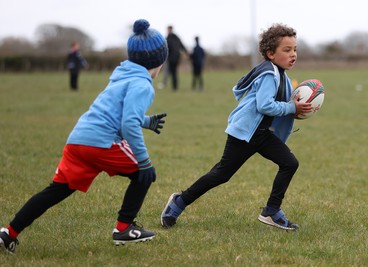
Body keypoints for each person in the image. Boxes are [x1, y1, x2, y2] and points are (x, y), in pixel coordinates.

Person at [0, 19, 168, 254]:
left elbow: (117, 112)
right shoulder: (143, 85)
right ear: (159, 61)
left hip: (78, 140)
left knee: (56, 190)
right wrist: (144, 160)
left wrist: (147, 121)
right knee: (144, 174)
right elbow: (127, 123)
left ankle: (8, 233)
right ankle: (124, 228)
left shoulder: (121, 75)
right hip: (102, 142)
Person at [161, 23, 313, 231]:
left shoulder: (281, 74)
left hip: (262, 134)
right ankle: (179, 202)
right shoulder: (270, 74)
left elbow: (281, 104)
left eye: (295, 49)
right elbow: (265, 105)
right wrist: (290, 107)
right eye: (287, 50)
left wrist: (294, 108)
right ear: (270, 53)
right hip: (245, 134)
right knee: (221, 175)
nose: (293, 54)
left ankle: (271, 211)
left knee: (289, 163)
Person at [166, 25, 187, 91]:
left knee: (173, 72)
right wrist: (186, 52)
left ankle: (174, 87)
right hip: (177, 57)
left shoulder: (168, 38)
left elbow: (165, 47)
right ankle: (175, 86)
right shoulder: (176, 37)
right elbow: (182, 45)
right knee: (174, 72)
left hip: (172, 58)